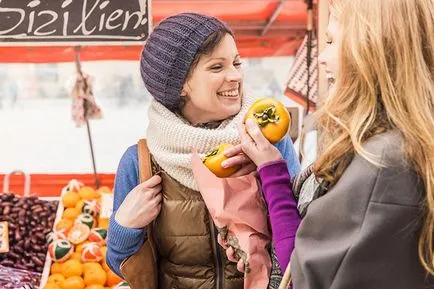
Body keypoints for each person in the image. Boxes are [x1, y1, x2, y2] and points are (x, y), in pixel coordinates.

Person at [231, 0, 434, 288]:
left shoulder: (380, 164)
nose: (321, 58)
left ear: (372, 46)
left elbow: (302, 276)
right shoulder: (404, 146)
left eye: (331, 40)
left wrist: (271, 172)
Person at [106, 13, 301, 289]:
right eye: (216, 67)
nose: (235, 76)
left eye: (236, 63)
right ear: (181, 84)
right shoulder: (141, 161)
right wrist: (124, 227)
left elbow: (302, 238)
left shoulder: (269, 145)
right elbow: (119, 265)